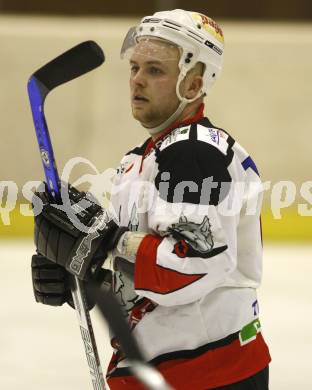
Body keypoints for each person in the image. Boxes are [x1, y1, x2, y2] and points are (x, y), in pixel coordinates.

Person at [31, 9, 271, 389]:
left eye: (155, 70)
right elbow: (134, 284)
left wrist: (104, 245)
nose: (137, 80)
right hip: (163, 374)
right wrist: (79, 273)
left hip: (208, 375)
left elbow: (191, 265)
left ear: (193, 86)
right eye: (135, 68)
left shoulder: (195, 154)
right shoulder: (137, 161)